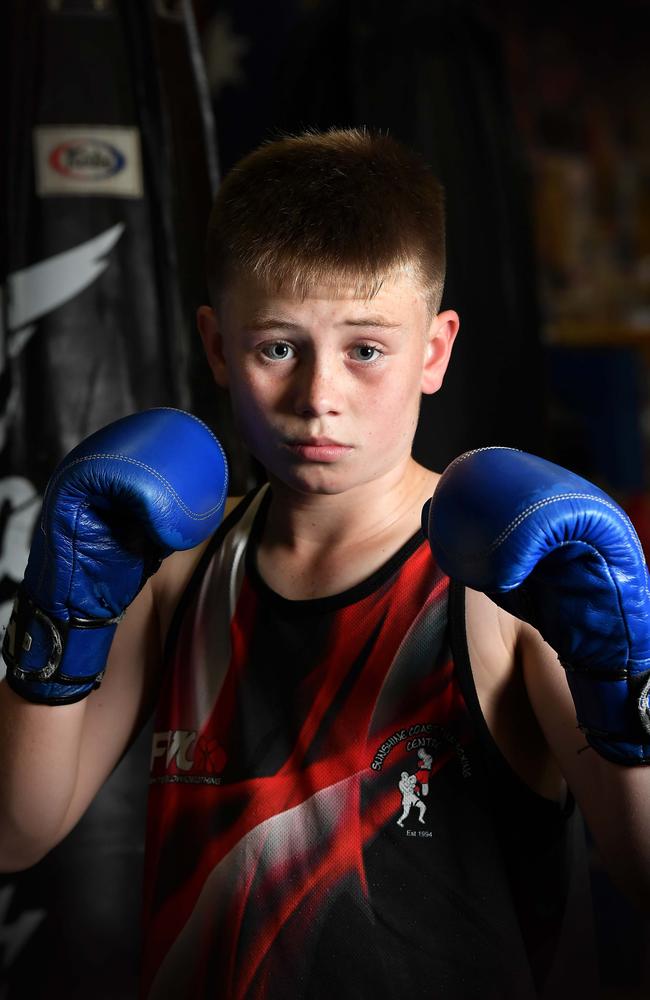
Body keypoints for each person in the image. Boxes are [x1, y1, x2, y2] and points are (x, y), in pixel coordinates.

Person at [1, 128, 649, 1000]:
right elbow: (17, 833)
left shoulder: (512, 588)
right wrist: (55, 617)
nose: (318, 398)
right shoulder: (175, 572)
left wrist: (623, 680)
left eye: (366, 349)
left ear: (434, 349)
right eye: (278, 347)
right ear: (219, 347)